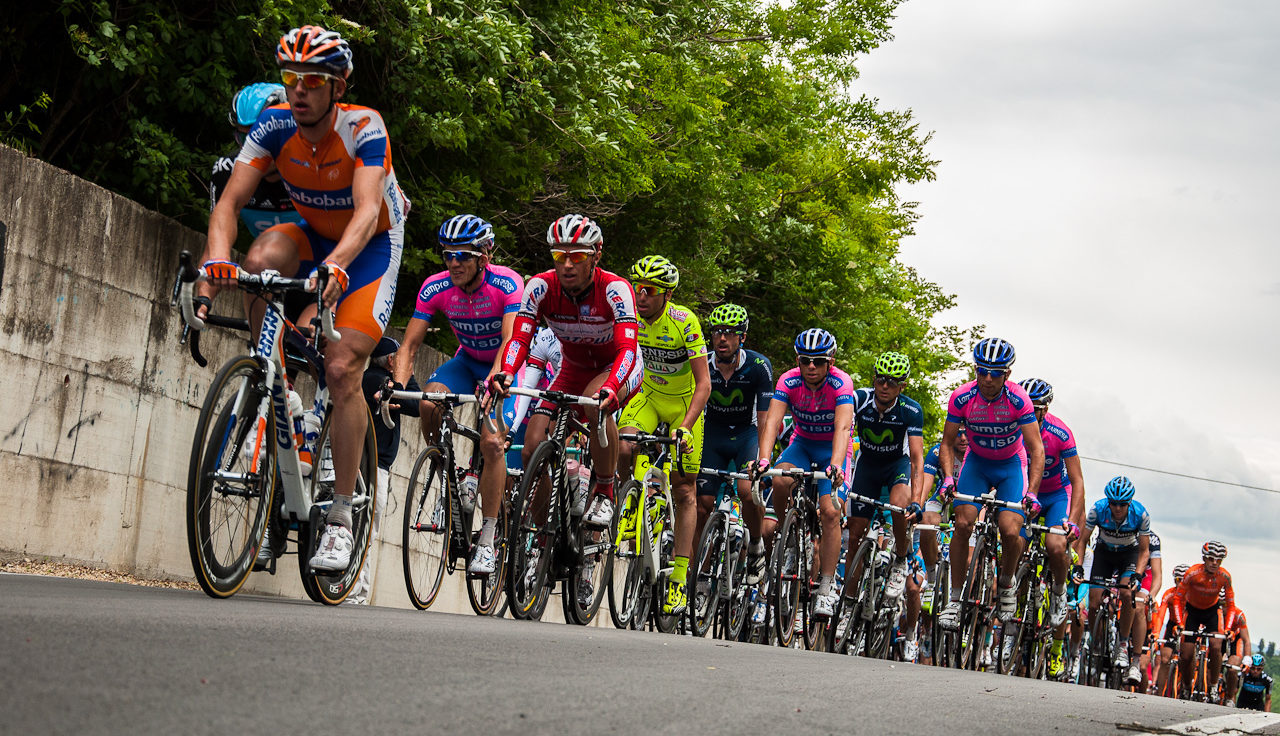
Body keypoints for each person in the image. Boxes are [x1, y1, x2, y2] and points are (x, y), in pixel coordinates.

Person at [198, 24, 410, 572]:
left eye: (312, 81)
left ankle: (341, 514)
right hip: (312, 233)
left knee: (342, 369)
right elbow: (229, 203)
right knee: (257, 263)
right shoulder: (272, 126)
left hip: (367, 248)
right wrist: (211, 262)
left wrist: (337, 265)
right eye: (291, 78)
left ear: (337, 87)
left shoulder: (364, 126)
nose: (298, 90)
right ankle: (275, 380)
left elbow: (366, 211)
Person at [491, 213, 643, 574]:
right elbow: (521, 338)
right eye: (560, 256)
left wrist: (610, 387)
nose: (568, 264)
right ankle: (544, 539)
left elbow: (628, 349)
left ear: (596, 255)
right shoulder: (540, 288)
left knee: (595, 408)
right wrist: (507, 371)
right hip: (572, 369)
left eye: (577, 256)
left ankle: (605, 492)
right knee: (531, 447)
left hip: (617, 366)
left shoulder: (615, 289)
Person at [393, 214, 522, 575]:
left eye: (463, 255)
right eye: (448, 254)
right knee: (429, 399)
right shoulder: (436, 287)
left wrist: (497, 377)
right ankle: (446, 471)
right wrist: (401, 387)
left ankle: (489, 538)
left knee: (493, 442)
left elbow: (511, 341)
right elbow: (410, 345)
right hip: (466, 362)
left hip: (505, 364)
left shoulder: (507, 283)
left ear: (484, 256)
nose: (453, 263)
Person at [611, 255, 710, 614]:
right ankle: (630, 498)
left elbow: (704, 384)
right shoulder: (630, 318)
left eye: (650, 290)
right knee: (625, 443)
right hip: (650, 396)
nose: (641, 296)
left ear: (666, 294)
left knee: (685, 490)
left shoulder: (685, 321)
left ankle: (679, 580)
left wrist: (685, 425)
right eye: (638, 289)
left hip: (684, 404)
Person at [936, 338, 1045, 630]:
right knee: (962, 524)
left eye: (995, 373)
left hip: (1011, 465)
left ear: (1007, 374)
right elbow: (947, 443)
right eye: (982, 370)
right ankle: (955, 599)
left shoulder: (1019, 399)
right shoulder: (961, 397)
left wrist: (1032, 492)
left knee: (1011, 531)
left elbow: (1036, 449)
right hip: (978, 464)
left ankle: (1007, 583)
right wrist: (948, 477)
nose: (987, 378)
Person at [754, 328, 854, 620]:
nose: (811, 366)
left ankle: (826, 586)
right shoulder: (789, 379)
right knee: (779, 477)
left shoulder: (841, 383)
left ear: (830, 361)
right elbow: (772, 421)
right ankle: (789, 533)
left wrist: (836, 465)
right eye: (805, 360)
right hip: (802, 444)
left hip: (832, 450)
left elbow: (843, 428)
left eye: (818, 361)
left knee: (831, 512)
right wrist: (763, 459)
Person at [840, 351, 925, 641]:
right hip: (867, 466)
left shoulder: (910, 410)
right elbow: (840, 428)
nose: (884, 386)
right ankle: (848, 604)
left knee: (901, 507)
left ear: (902, 385)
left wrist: (917, 500)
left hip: (895, 467)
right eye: (880, 379)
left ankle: (900, 560)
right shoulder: (859, 399)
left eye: (891, 381)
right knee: (854, 536)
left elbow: (916, 459)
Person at [696, 304, 773, 583]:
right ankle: (695, 573)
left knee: (746, 489)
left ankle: (755, 544)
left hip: (747, 433)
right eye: (717, 332)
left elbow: (765, 419)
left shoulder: (758, 366)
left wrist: (763, 458)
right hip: (713, 434)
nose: (722, 339)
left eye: (730, 333)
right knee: (702, 503)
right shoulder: (703, 363)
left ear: (742, 337)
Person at [1017, 378, 1086, 679]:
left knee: (1057, 547)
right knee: (1014, 546)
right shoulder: (1013, 427)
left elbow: (1078, 481)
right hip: (1025, 491)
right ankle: (1011, 630)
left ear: (1047, 409)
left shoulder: (1060, 432)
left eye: (1038, 410)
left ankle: (1058, 593)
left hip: (1056, 494)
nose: (1033, 414)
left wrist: (1071, 520)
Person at [345, 336, 421, 604]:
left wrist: (404, 376)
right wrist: (404, 376)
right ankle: (355, 591)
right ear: (391, 360)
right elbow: (415, 402)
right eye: (398, 357)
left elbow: (415, 405)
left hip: (370, 464)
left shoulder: (372, 378)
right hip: (371, 465)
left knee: (362, 528)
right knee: (365, 528)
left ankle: (357, 590)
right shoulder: (376, 381)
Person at [1078, 476, 1152, 685]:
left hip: (1128, 555)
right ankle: (1095, 640)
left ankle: (1122, 645)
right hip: (1104, 554)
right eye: (1113, 503)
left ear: (1129, 503)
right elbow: (1083, 540)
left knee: (1128, 593)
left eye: (1121, 504)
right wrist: (1078, 565)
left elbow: (1145, 551)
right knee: (1093, 602)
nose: (1117, 508)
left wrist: (1137, 574)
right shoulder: (1097, 509)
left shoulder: (1141, 514)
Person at [210, 82, 302, 238]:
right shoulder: (225, 170)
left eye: (263, 135)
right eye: (244, 138)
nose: (253, 148)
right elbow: (213, 251)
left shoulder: (320, 167)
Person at [1171, 541, 1234, 702]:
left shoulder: (1224, 576)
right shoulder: (1192, 573)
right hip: (1192, 611)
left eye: (1219, 560)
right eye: (1211, 559)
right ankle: (1186, 687)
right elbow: (1178, 599)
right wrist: (1179, 623)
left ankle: (1213, 686)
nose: (1214, 563)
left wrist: (1227, 629)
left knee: (1215, 646)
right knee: (1186, 655)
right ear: (1204, 558)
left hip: (1212, 612)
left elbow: (1231, 605)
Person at [1150, 563, 1189, 696]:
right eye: (1177, 580)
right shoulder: (1169, 594)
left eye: (1183, 580)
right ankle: (1160, 693)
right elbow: (1160, 616)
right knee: (1164, 659)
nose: (1180, 583)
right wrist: (1156, 632)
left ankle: (1186, 687)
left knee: (1187, 657)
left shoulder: (1192, 596)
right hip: (1172, 625)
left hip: (1189, 625)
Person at [1223, 604, 1251, 704]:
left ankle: (1230, 697)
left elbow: (1246, 640)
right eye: (1220, 605)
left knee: (1232, 669)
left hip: (1235, 640)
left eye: (1224, 605)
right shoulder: (1212, 608)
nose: (1223, 608)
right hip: (1219, 638)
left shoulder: (1239, 614)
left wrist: (1247, 659)